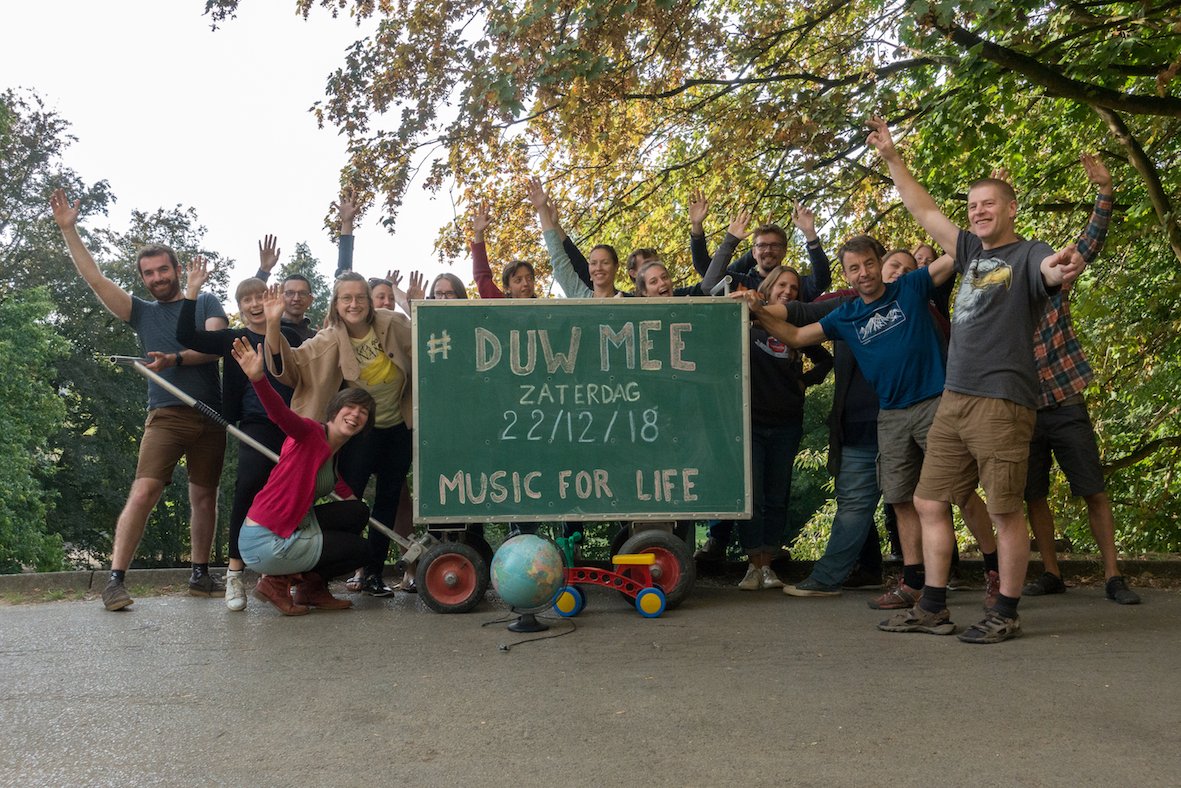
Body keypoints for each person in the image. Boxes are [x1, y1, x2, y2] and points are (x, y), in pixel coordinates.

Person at [865, 115, 1083, 643]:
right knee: (928, 501)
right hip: (955, 400)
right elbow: (924, 210)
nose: (978, 211)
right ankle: (934, 606)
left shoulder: (1028, 252)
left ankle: (1005, 611)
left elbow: (1050, 273)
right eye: (972, 205)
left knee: (1005, 509)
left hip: (1002, 400)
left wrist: (1060, 269)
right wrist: (893, 158)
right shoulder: (968, 252)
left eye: (988, 203)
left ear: (1010, 209)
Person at [746, 236, 995, 607]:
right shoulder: (846, 314)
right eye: (854, 268)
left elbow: (954, 255)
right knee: (900, 499)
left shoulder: (909, 287)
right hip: (890, 415)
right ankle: (912, 583)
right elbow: (796, 335)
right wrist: (757, 311)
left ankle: (996, 571)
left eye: (868, 264)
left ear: (879, 263)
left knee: (960, 491)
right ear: (846, 275)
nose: (863, 273)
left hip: (933, 406)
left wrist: (979, 227)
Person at [50, 188, 228, 611]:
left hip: (211, 416)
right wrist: (68, 230)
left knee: (205, 497)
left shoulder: (204, 300)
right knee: (144, 490)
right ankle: (114, 581)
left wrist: (177, 358)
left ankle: (200, 575)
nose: (156, 278)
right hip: (166, 415)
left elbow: (217, 344)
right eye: (148, 273)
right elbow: (93, 278)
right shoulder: (142, 313)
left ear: (177, 269)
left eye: (163, 270)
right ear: (143, 278)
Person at [1019, 155, 1140, 605]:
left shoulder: (1056, 288)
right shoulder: (1003, 298)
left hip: (1066, 403)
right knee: (1033, 496)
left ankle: (1113, 575)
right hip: (1024, 412)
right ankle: (1051, 572)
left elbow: (1087, 244)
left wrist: (1104, 192)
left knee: (1093, 489)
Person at [265, 272, 413, 598]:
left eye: (360, 297)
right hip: (362, 433)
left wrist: (413, 304)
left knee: (388, 500)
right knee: (351, 504)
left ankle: (373, 572)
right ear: (336, 303)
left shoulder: (393, 324)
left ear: (371, 301)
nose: (354, 304)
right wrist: (273, 325)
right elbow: (291, 367)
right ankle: (318, 576)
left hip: (399, 428)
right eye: (346, 298)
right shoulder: (329, 339)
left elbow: (431, 340)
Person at [177, 259, 303, 611]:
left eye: (260, 296)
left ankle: (281, 578)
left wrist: (276, 324)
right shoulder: (234, 338)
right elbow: (186, 337)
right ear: (239, 307)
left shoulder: (290, 336)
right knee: (248, 485)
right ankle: (235, 573)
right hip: (253, 425)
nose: (253, 304)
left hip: (292, 426)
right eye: (245, 300)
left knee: (295, 495)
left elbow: (300, 356)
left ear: (271, 298)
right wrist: (192, 291)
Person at [230, 335, 374, 616]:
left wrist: (360, 511)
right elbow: (279, 414)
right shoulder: (309, 433)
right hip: (265, 539)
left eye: (364, 412)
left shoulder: (332, 452)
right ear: (333, 411)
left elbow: (343, 490)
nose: (356, 415)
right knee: (361, 549)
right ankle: (276, 581)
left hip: (288, 527)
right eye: (351, 407)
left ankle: (310, 589)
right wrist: (259, 379)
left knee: (357, 511)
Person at [737, 267, 833, 590]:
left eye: (794, 287)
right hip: (750, 422)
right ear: (768, 286)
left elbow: (825, 361)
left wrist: (803, 381)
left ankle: (769, 566)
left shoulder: (796, 326)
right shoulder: (747, 323)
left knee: (777, 496)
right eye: (782, 285)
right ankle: (752, 565)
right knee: (754, 497)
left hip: (787, 423)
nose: (788, 291)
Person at [254, 234, 318, 343]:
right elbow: (252, 302)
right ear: (281, 296)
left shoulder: (316, 338)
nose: (296, 298)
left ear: (310, 300)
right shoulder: (266, 329)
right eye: (290, 293)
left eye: (302, 293)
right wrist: (264, 270)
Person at [471, 203, 538, 299]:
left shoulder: (544, 309)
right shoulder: (500, 305)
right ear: (507, 288)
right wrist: (478, 233)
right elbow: (482, 276)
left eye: (529, 278)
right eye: (518, 280)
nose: (526, 283)